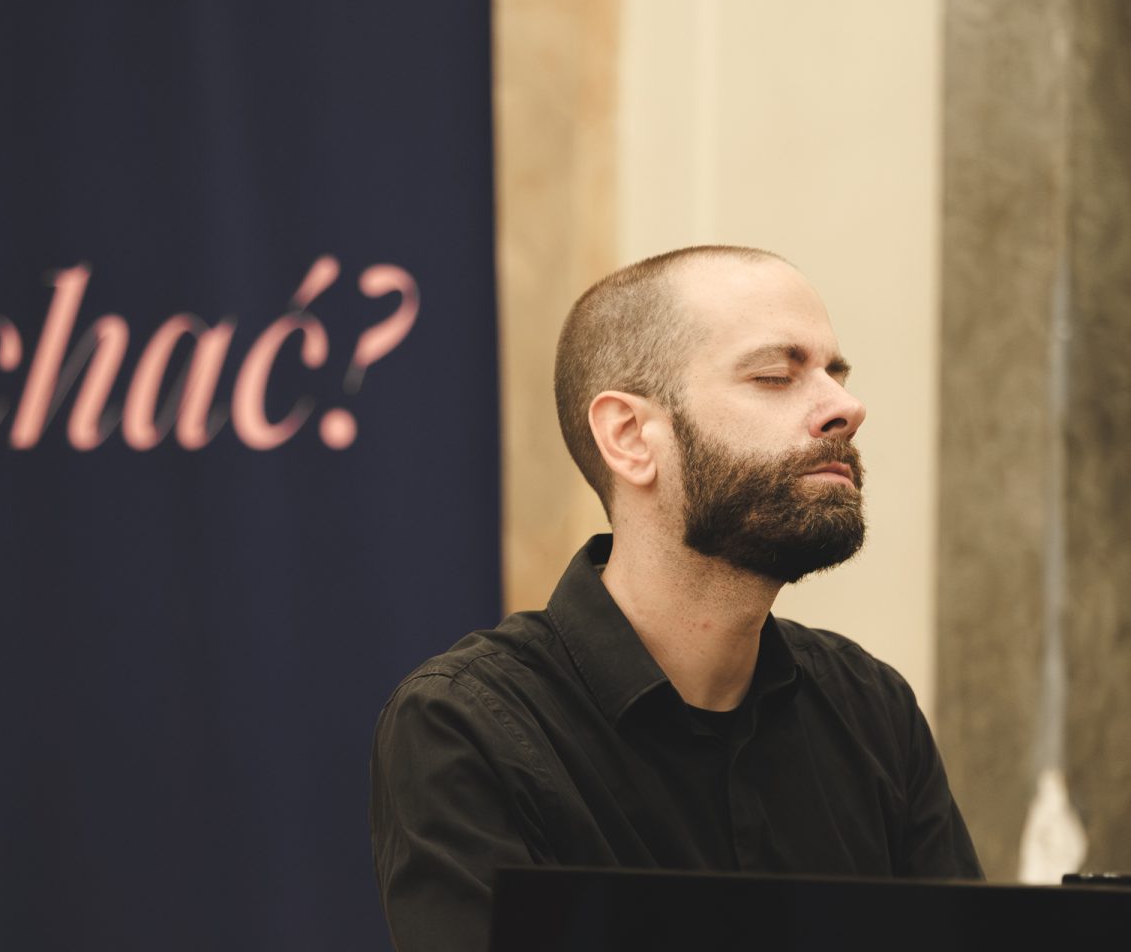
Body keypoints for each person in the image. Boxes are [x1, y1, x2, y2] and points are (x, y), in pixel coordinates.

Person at [368, 246, 981, 952]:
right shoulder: (468, 727)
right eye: (775, 376)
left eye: (835, 376)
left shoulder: (873, 710)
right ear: (629, 437)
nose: (847, 407)